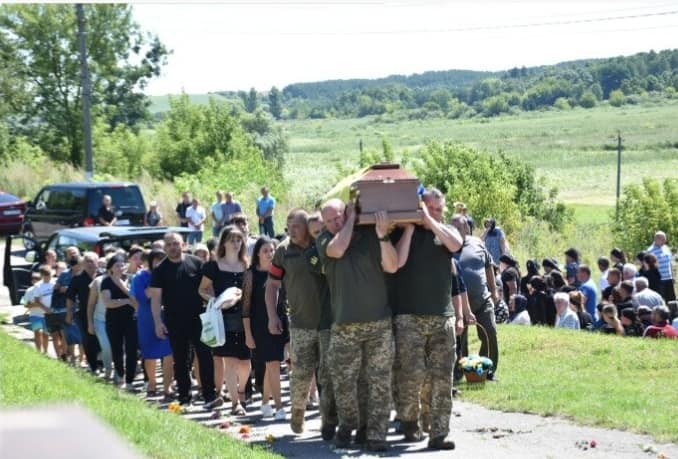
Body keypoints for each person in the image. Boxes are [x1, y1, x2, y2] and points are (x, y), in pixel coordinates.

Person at [316, 199, 397, 452]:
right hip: (344, 326)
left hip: (378, 323)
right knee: (343, 382)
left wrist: (383, 237)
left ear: (347, 211)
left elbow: (392, 266)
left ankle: (376, 434)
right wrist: (349, 220)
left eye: (338, 217)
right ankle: (349, 423)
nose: (334, 223)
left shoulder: (370, 236)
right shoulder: (324, 241)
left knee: (379, 381)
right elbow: (338, 249)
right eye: (329, 220)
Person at [392, 188, 463, 450]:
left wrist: (431, 222)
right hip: (409, 316)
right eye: (431, 208)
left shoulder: (445, 232)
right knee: (411, 375)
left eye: (439, 210)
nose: (436, 213)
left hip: (441, 316)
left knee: (442, 377)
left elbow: (456, 245)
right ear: (420, 205)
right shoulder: (401, 232)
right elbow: (397, 262)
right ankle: (411, 422)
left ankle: (439, 432)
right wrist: (412, 226)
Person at [266, 209, 336, 438]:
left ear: (307, 227)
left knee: (327, 374)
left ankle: (328, 421)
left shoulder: (323, 246)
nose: (291, 231)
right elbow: (272, 285)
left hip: (328, 323)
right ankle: (298, 411)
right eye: (288, 227)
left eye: (295, 226)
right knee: (301, 374)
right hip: (299, 323)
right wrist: (272, 316)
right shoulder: (283, 251)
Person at [150, 232, 222, 408]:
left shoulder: (196, 263)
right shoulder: (160, 270)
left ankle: (209, 396)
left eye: (176, 243)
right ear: (164, 247)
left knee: (205, 357)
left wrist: (214, 305)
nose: (173, 247)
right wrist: (158, 322)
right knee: (181, 360)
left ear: (183, 245)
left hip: (199, 318)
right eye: (169, 245)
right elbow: (156, 299)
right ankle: (184, 397)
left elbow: (208, 288)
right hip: (174, 321)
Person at [198, 226, 249, 415]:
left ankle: (241, 391)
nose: (236, 243)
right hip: (223, 318)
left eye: (239, 239)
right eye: (232, 239)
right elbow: (202, 290)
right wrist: (217, 301)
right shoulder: (213, 266)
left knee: (245, 364)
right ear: (224, 242)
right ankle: (236, 403)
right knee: (229, 361)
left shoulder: (246, 265)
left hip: (244, 318)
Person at [450, 214, 500, 380]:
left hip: (482, 300)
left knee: (490, 333)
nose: (455, 230)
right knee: (459, 341)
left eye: (459, 227)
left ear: (466, 229)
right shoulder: (446, 246)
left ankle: (487, 371)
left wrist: (494, 291)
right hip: (458, 303)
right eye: (452, 227)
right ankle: (459, 372)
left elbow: (488, 266)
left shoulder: (477, 243)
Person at [243, 237, 287, 420]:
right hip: (260, 325)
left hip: (281, 321)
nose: (269, 254)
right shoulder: (250, 274)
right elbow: (245, 308)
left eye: (272, 250)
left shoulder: (281, 272)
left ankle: (265, 402)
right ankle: (279, 406)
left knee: (273, 364)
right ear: (258, 254)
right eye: (265, 251)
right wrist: (248, 334)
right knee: (273, 364)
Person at [131, 250, 174, 398]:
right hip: (146, 318)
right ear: (150, 261)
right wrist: (156, 280)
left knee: (169, 353)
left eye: (163, 260)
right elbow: (142, 297)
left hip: (167, 316)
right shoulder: (140, 277)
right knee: (149, 353)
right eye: (157, 260)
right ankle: (152, 383)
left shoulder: (170, 274)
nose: (160, 263)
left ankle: (168, 387)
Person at [100, 255, 138, 390]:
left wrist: (122, 287)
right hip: (113, 320)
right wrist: (126, 301)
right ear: (110, 268)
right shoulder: (106, 282)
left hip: (130, 320)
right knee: (117, 349)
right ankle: (120, 376)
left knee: (132, 349)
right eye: (117, 265)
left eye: (122, 265)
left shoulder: (131, 279)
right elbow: (108, 303)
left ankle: (130, 381)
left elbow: (136, 301)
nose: (120, 268)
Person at [66, 252, 101, 373]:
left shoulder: (103, 277)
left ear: (98, 262)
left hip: (103, 313)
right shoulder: (78, 279)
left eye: (92, 261)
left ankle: (101, 362)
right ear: (83, 264)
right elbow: (70, 297)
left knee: (102, 339)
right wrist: (69, 314)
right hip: (84, 314)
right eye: (87, 261)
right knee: (88, 340)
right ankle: (93, 365)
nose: (90, 264)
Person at [87, 262, 113, 380]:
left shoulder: (124, 280)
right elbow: (91, 304)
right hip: (100, 320)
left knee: (118, 347)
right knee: (106, 346)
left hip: (117, 320)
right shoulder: (98, 281)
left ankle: (118, 371)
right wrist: (90, 323)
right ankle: (108, 369)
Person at [22, 268, 52, 353]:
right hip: (35, 314)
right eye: (34, 281)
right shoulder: (29, 291)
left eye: (38, 280)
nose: (36, 283)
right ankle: (39, 351)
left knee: (46, 334)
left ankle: (45, 351)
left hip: (46, 314)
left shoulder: (45, 287)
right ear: (32, 282)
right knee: (37, 332)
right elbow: (25, 304)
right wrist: (35, 304)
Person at [647, 231, 676, 302]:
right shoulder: (650, 251)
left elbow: (670, 263)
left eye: (665, 239)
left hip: (668, 278)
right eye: (663, 239)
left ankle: (673, 313)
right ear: (656, 239)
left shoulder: (666, 248)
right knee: (660, 300)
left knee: (671, 300)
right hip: (659, 280)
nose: (665, 241)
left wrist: (672, 276)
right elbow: (649, 268)